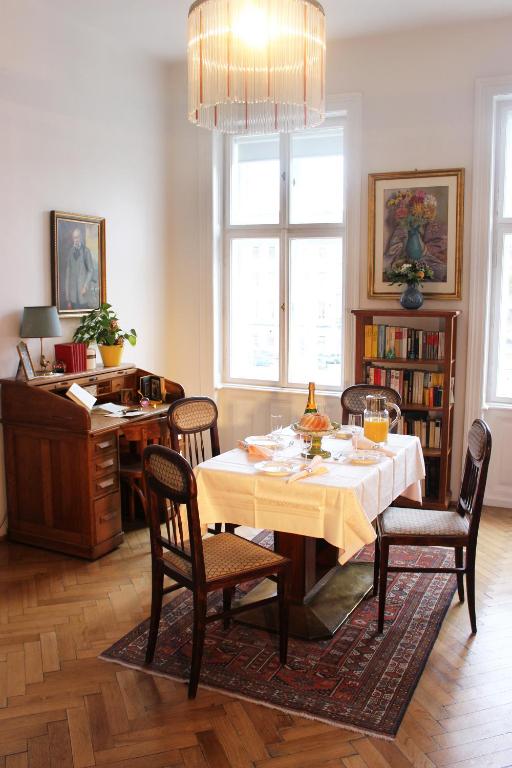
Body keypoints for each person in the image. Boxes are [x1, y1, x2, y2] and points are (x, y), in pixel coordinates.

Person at [62, 228, 94, 310]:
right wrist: (68, 297)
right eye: (74, 237)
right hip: (73, 296)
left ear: (81, 237)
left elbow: (90, 271)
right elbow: (68, 274)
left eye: (77, 237)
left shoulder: (86, 251)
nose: (76, 240)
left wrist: (85, 286)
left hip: (83, 294)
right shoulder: (70, 252)